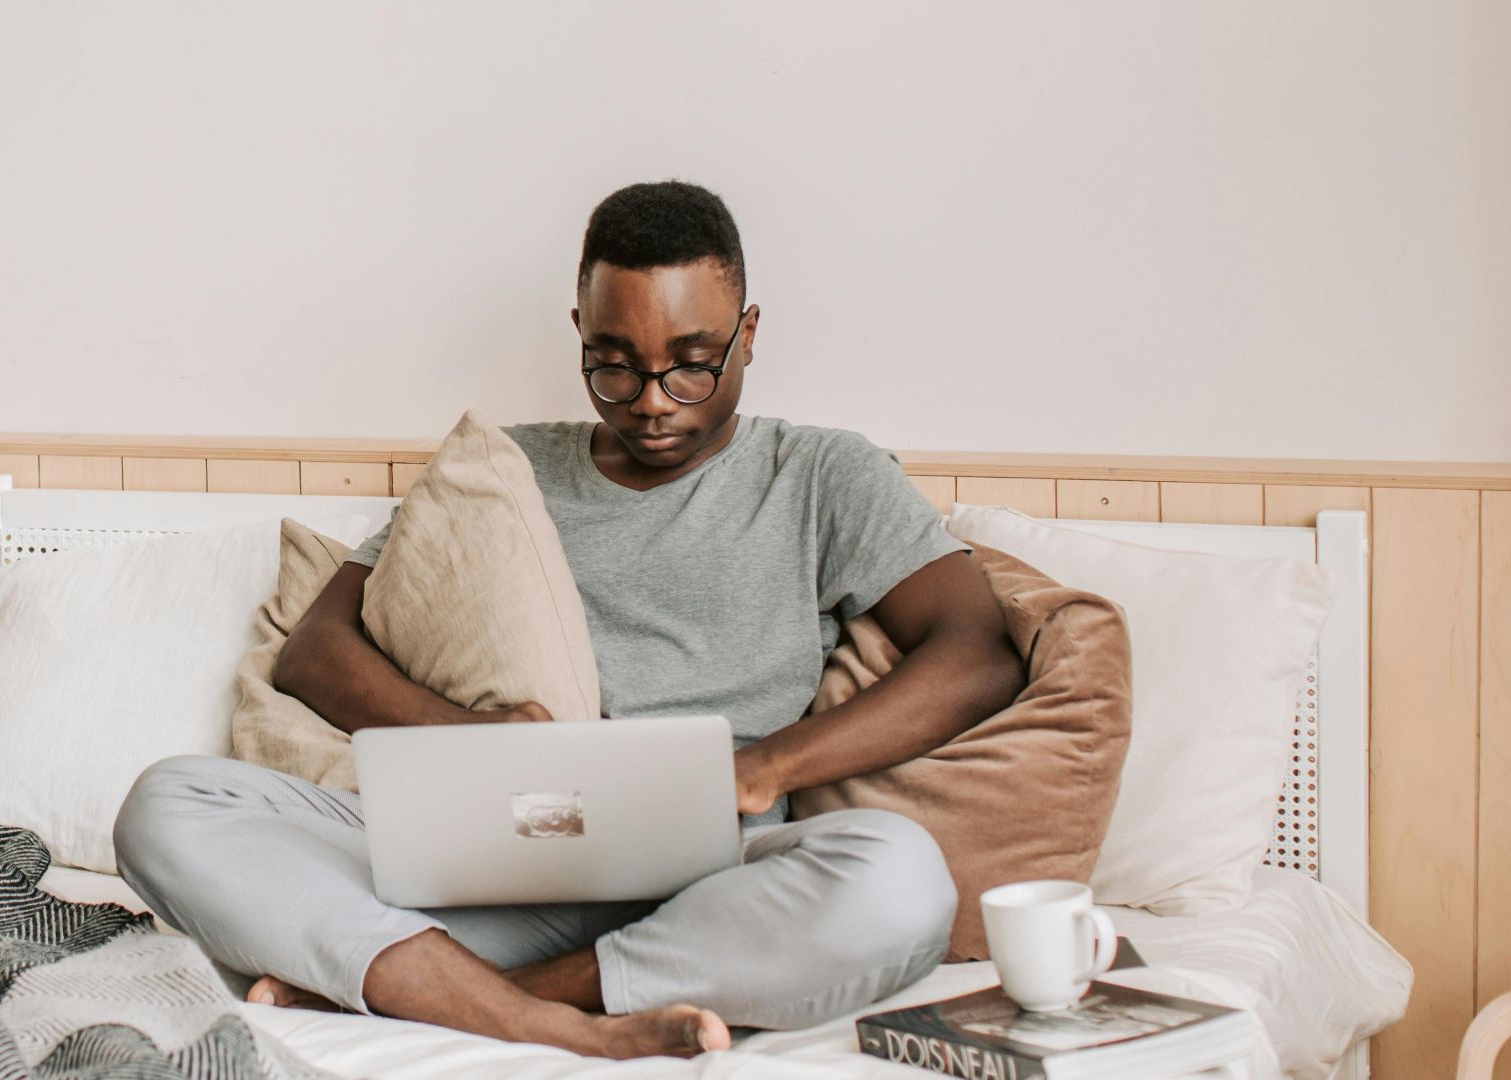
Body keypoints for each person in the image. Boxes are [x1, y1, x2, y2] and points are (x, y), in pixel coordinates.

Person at [114, 180, 1027, 1059]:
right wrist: (474, 739)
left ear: (749, 336)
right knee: (169, 804)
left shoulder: (824, 475)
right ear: (579, 333)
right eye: (614, 365)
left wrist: (764, 768)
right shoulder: (502, 468)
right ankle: (532, 1015)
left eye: (692, 364)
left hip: (715, 883)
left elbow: (976, 654)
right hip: (499, 859)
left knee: (901, 883)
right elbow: (314, 652)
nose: (654, 400)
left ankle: (477, 994)